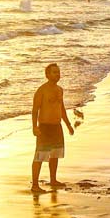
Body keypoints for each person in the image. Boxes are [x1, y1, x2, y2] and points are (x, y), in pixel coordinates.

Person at [31, 63, 75, 193]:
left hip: (57, 126)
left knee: (55, 154)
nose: (57, 74)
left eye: (58, 72)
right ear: (47, 75)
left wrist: (68, 125)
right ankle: (34, 184)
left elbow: (61, 109)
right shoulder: (41, 90)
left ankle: (53, 180)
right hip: (44, 127)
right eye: (54, 72)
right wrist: (34, 127)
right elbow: (35, 110)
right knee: (40, 155)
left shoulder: (60, 90)